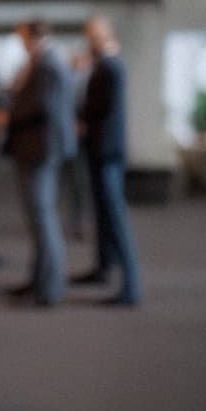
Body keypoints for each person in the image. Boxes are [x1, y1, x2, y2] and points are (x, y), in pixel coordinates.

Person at [5, 19, 77, 306]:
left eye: (22, 37)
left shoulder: (47, 63)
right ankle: (39, 280)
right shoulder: (45, 60)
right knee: (40, 219)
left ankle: (49, 288)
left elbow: (43, 105)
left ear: (33, 36)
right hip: (39, 148)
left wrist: (9, 112)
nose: (20, 43)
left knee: (43, 218)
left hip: (40, 149)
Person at [71, 16, 141, 306]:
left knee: (115, 216)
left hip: (107, 151)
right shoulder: (105, 65)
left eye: (92, 37)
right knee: (102, 213)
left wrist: (81, 119)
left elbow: (100, 107)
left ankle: (130, 287)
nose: (89, 42)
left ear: (103, 36)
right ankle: (103, 268)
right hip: (100, 149)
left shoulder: (111, 66)